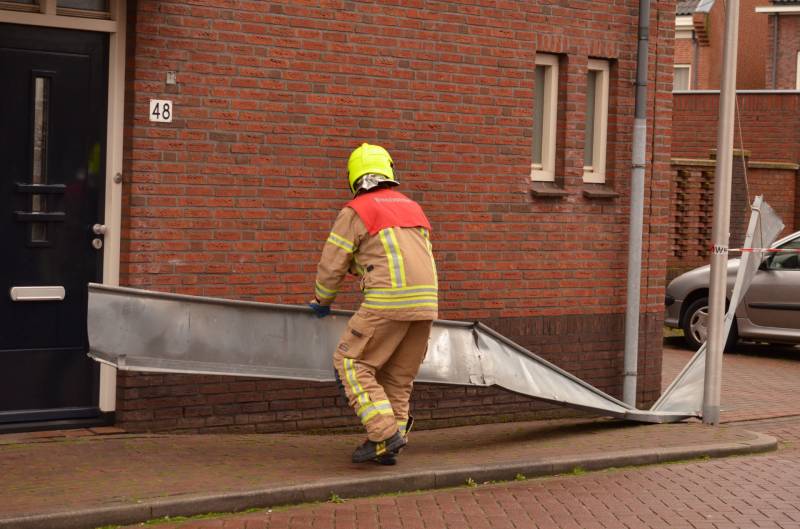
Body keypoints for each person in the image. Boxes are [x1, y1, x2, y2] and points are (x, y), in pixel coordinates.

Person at [309, 143, 438, 465]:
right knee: (397, 376)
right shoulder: (412, 208)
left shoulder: (357, 210)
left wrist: (323, 300)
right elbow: (390, 255)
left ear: (354, 176)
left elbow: (333, 262)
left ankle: (383, 434)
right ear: (388, 171)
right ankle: (390, 442)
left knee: (351, 363)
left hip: (387, 302)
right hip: (426, 305)